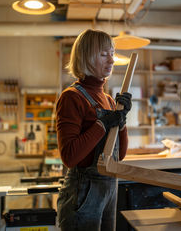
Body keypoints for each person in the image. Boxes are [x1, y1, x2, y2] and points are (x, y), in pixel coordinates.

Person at [56, 29, 132, 230]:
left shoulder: (107, 100)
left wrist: (121, 121)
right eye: (104, 54)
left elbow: (119, 156)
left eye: (112, 53)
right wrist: (102, 124)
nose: (112, 60)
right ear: (87, 57)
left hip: (109, 189)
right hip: (84, 192)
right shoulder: (72, 97)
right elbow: (70, 157)